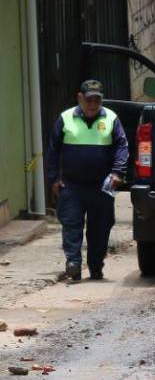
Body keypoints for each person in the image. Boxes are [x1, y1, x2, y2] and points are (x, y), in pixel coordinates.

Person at [46, 80, 128, 283]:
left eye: (97, 100)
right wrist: (54, 179)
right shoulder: (65, 118)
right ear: (79, 98)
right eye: (89, 99)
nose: (93, 104)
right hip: (72, 186)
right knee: (72, 225)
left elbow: (122, 147)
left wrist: (118, 173)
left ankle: (96, 266)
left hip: (102, 186)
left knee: (100, 228)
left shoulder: (111, 118)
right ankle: (73, 263)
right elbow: (53, 151)